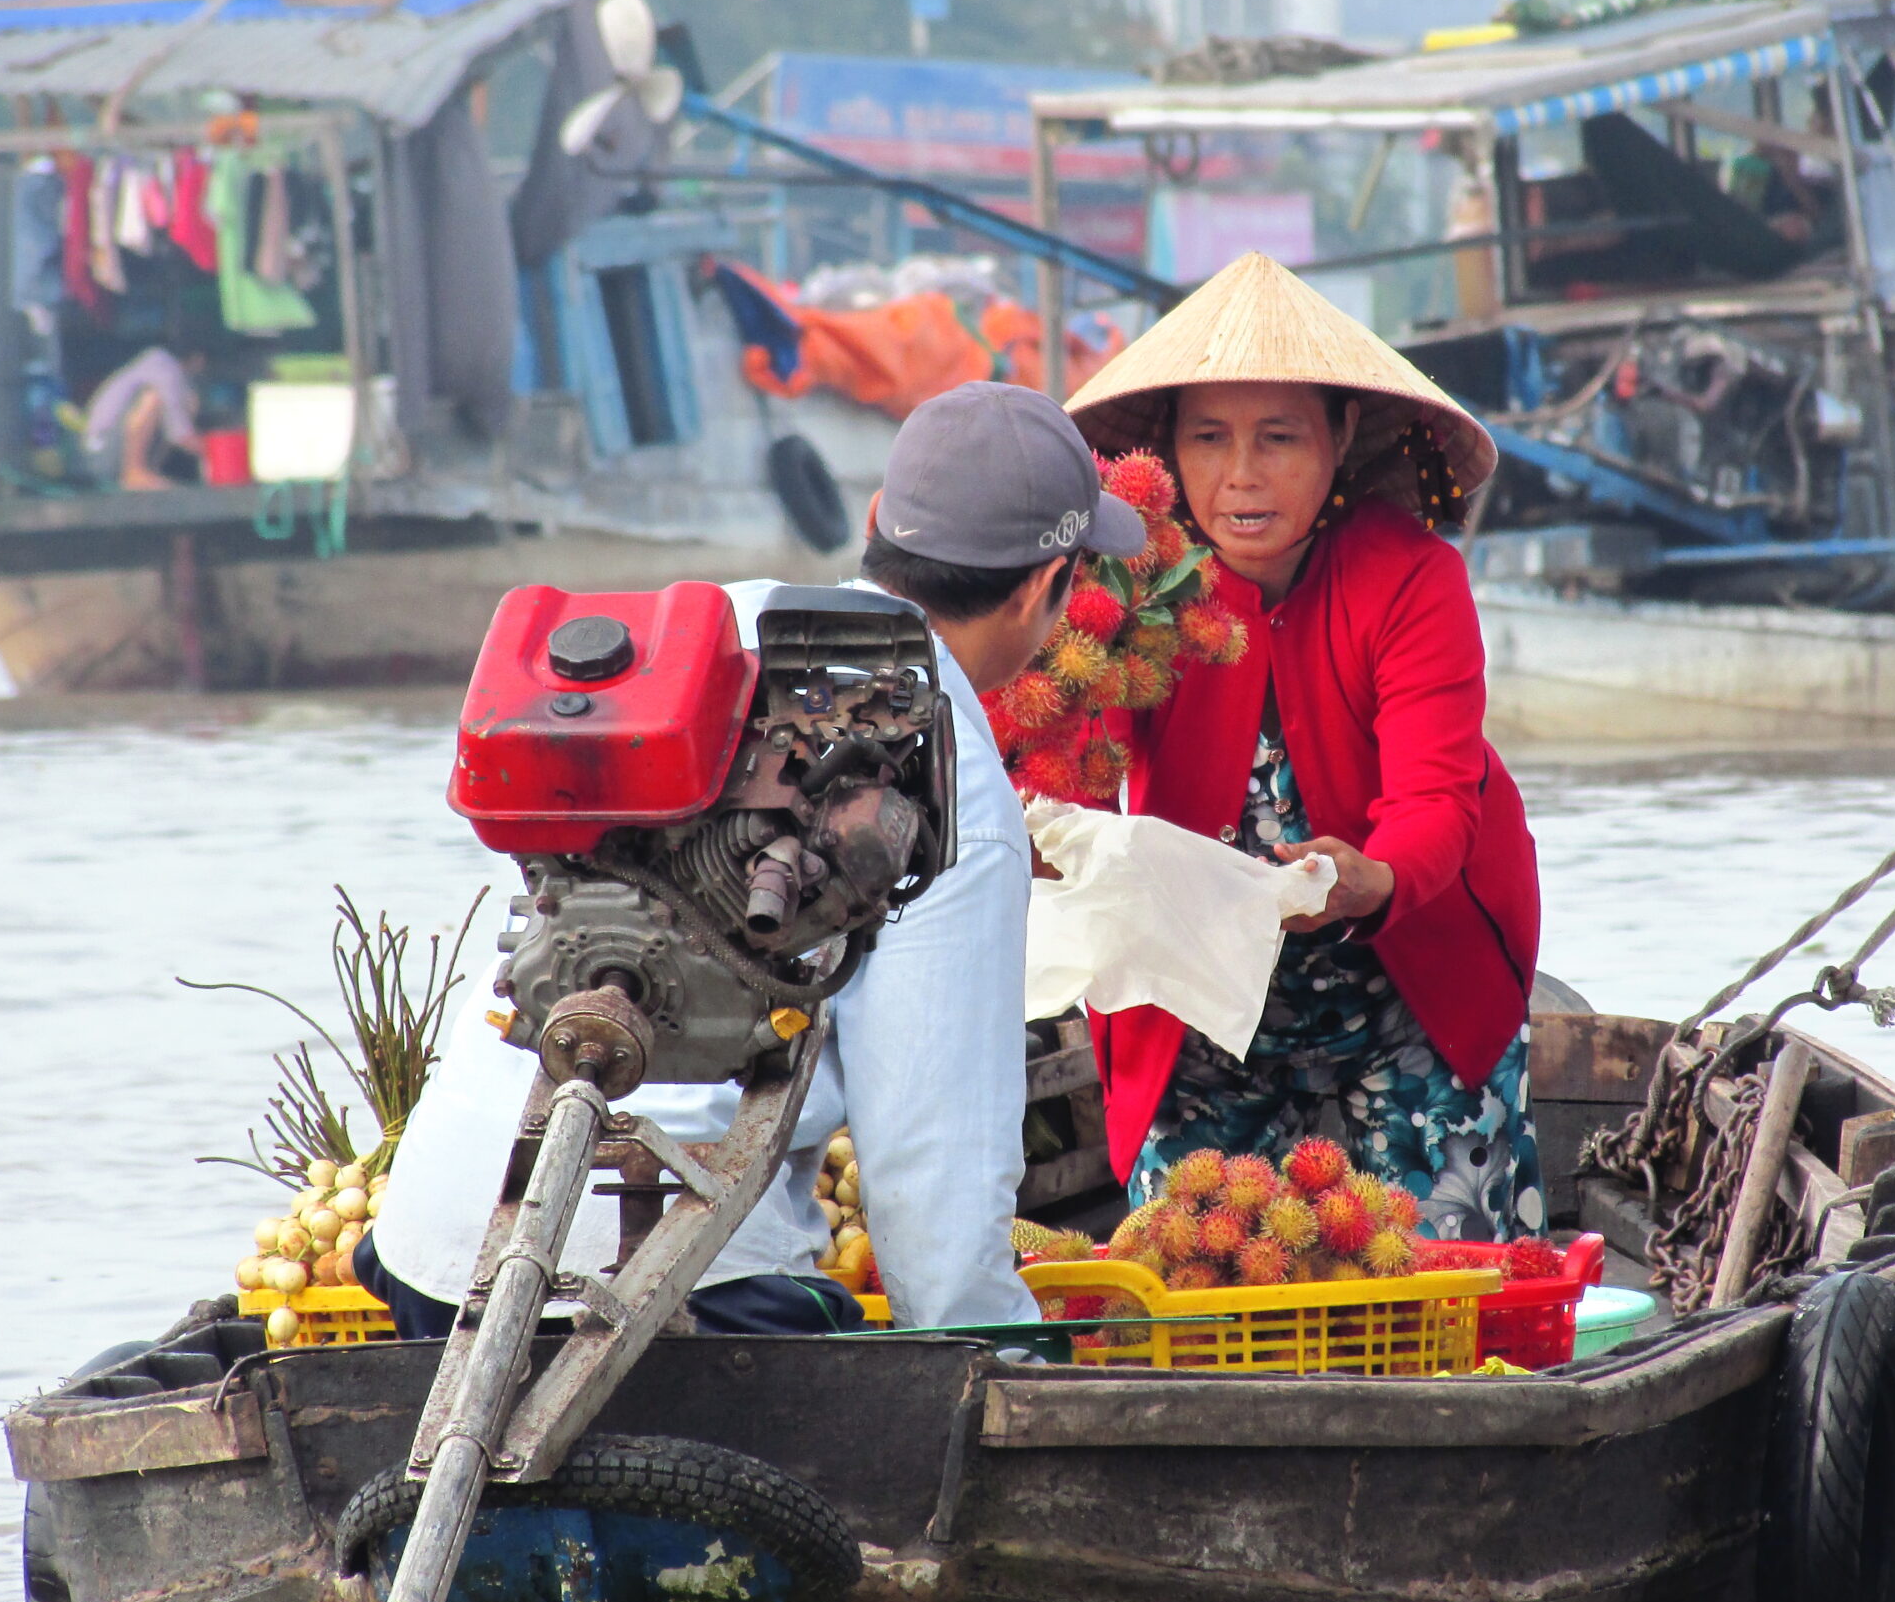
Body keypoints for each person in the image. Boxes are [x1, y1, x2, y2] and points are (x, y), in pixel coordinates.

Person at [363, 382, 1143, 1333]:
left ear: (874, 526)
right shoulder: (952, 782)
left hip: (425, 1255)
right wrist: (1015, 1370)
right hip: (665, 1301)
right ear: (1040, 588)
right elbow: (935, 1208)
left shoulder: (716, 632)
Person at [1065, 251, 1545, 1241]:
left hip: (1411, 975)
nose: (1240, 474)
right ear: (1168, 451)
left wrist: (1367, 877)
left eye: (1277, 436)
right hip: (1198, 996)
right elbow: (1071, 786)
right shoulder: (1131, 592)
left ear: (1340, 437)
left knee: (1429, 1277)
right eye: (1208, 438)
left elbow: (1435, 801)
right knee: (1195, 1276)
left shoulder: (1411, 581)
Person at [80, 344, 206, 489]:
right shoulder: (164, 368)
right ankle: (134, 473)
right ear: (198, 359)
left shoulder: (166, 369)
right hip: (101, 453)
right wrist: (214, 449)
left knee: (188, 404)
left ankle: (148, 472)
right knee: (152, 399)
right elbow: (180, 433)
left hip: (111, 453)